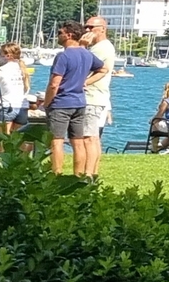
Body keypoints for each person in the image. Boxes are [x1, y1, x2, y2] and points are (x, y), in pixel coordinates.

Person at [40, 23, 102, 176]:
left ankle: (57, 174)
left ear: (69, 35)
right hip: (80, 102)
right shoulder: (87, 54)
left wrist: (46, 103)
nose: (58, 35)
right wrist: (84, 82)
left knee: (56, 141)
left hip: (61, 103)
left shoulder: (63, 56)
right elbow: (103, 69)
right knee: (78, 141)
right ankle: (78, 175)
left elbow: (54, 84)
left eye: (60, 32)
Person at [80, 16, 118, 176]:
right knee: (93, 138)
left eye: (91, 27)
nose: (87, 30)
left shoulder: (100, 48)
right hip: (98, 97)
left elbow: (85, 67)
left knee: (88, 138)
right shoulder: (102, 47)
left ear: (103, 29)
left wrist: (81, 47)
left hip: (91, 98)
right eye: (85, 27)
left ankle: (87, 174)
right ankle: (92, 173)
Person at [0, 43, 30, 129]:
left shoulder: (0, 70)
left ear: (8, 56)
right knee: (17, 138)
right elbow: (26, 88)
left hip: (7, 105)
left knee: (2, 138)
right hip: (22, 106)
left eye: (0, 54)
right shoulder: (23, 69)